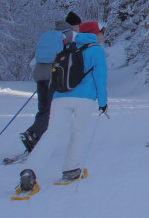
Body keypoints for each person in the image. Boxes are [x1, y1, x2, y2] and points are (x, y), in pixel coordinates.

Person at [19, 20, 108, 191]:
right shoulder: (96, 50)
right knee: (78, 132)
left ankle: (30, 170)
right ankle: (71, 169)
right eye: (101, 32)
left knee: (51, 134)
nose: (103, 36)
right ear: (95, 34)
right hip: (84, 98)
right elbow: (101, 78)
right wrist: (103, 103)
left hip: (60, 96)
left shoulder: (67, 47)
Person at [20, 11, 82, 153]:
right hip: (53, 75)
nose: (79, 29)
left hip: (40, 74)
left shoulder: (50, 34)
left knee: (43, 108)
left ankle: (34, 136)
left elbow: (34, 60)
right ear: (75, 25)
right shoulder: (71, 35)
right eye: (78, 26)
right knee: (51, 109)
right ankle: (33, 134)